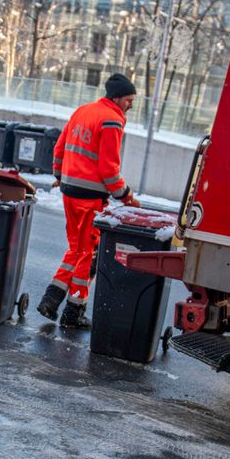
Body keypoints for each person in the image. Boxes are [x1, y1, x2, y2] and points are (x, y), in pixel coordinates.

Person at [38, 73, 141, 329]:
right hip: (90, 198)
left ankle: (51, 299)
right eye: (128, 100)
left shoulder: (83, 110)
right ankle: (74, 312)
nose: (131, 105)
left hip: (69, 191)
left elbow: (59, 148)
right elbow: (109, 169)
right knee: (88, 254)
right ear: (116, 98)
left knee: (76, 248)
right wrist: (126, 196)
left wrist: (59, 176)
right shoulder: (112, 120)